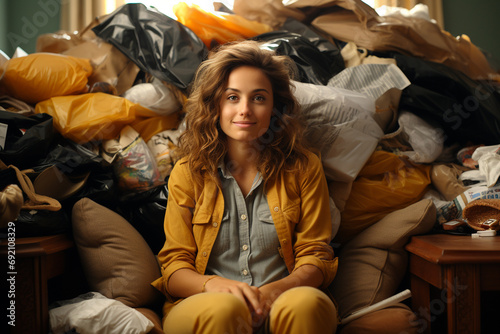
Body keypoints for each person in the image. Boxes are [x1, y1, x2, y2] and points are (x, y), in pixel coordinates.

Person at [152, 40, 338, 334]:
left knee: (307, 304)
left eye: (259, 98)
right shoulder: (188, 173)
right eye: (233, 97)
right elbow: (174, 267)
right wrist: (214, 285)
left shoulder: (304, 167)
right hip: (206, 303)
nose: (245, 110)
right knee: (226, 308)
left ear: (276, 107)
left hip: (283, 302)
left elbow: (316, 255)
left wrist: (275, 290)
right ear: (215, 104)